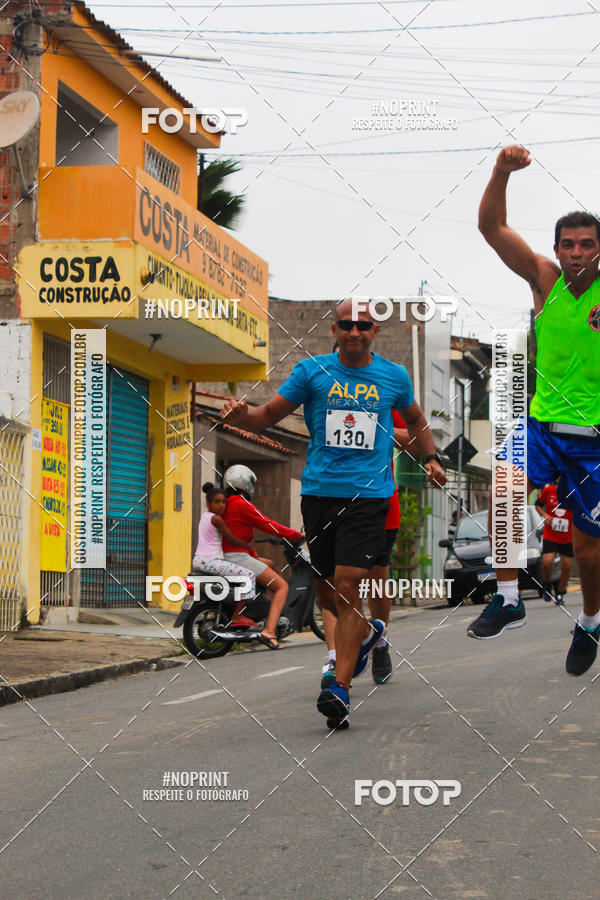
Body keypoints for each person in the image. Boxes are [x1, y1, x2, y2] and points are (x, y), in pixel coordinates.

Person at [221, 299, 446, 727]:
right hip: (321, 493)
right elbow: (267, 415)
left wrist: (432, 458)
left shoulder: (394, 377)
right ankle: (361, 637)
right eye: (347, 325)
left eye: (363, 325)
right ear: (335, 330)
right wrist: (241, 414)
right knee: (326, 592)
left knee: (347, 586)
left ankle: (339, 690)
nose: (355, 332)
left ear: (374, 332)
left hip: (370, 496)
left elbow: (417, 421)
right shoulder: (312, 372)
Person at [468, 144, 600, 677]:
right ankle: (508, 598)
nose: (576, 253)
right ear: (556, 249)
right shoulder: (545, 280)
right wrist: (501, 171)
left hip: (593, 438)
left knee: (590, 553)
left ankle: (590, 621)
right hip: (542, 423)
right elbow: (491, 227)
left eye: (587, 245)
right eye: (568, 245)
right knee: (503, 485)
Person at [320, 410, 410, 688]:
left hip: (377, 502)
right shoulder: (325, 390)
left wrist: (378, 428)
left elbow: (413, 439)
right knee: (333, 583)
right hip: (330, 499)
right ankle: (338, 655)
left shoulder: (384, 391)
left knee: (376, 582)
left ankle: (378, 640)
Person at [221, 464, 304, 650]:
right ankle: (269, 631)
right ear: (244, 482)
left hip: (228, 555)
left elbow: (237, 534)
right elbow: (268, 524)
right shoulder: (242, 504)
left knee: (269, 564)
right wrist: (294, 535)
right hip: (237, 557)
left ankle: (252, 607)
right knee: (282, 587)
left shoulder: (225, 504)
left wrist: (253, 553)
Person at [192, 482, 258, 627]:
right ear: (209, 504)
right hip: (211, 561)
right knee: (250, 576)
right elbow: (231, 538)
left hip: (200, 560)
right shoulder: (217, 519)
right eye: (217, 502)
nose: (222, 505)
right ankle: (238, 615)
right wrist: (248, 546)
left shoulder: (205, 516)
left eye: (223, 502)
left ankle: (227, 612)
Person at [535, 481, 573, 605]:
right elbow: (538, 505)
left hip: (567, 535)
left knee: (566, 566)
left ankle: (560, 592)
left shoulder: (574, 492)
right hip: (550, 533)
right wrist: (546, 516)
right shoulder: (549, 491)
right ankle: (547, 583)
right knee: (547, 562)